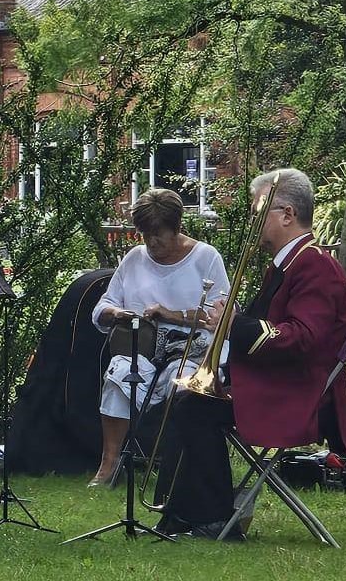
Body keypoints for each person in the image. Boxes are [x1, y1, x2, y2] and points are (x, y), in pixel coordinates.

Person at [162, 169, 346, 541]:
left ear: (286, 214)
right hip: (283, 385)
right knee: (189, 399)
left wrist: (236, 324)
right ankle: (182, 513)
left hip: (297, 396)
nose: (254, 222)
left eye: (258, 212)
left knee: (193, 407)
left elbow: (303, 338)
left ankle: (214, 517)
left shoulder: (315, 266)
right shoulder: (292, 263)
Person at [88, 189, 228, 487]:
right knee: (119, 373)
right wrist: (117, 313)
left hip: (191, 353)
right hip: (144, 351)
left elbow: (224, 317)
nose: (151, 242)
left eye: (158, 234)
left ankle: (177, 467)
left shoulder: (205, 258)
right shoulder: (134, 259)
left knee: (183, 387)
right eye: (145, 234)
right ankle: (109, 463)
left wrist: (171, 314)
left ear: (177, 227)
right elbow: (101, 308)